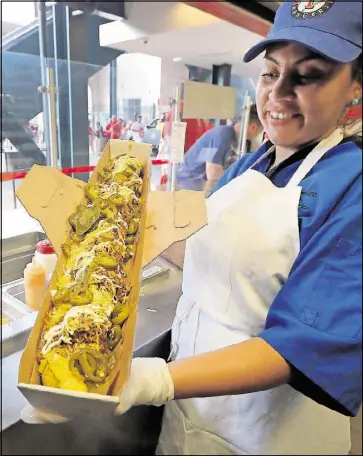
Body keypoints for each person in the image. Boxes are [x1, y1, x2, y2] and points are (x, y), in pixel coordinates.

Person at [23, 2, 362, 455]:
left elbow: (308, 345)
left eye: (309, 74)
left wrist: (152, 379)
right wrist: (109, 238)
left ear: (355, 87)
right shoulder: (249, 163)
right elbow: (211, 253)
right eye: (270, 72)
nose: (279, 93)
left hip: (268, 430)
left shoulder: (352, 185)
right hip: (191, 416)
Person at [177, 106, 263, 191]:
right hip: (189, 182)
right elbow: (213, 174)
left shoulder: (238, 141)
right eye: (260, 131)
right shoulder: (221, 136)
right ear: (253, 127)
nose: (258, 134)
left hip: (200, 183)